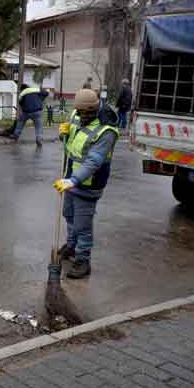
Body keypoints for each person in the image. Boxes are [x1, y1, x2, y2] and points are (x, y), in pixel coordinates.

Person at [54, 89, 119, 279]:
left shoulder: (107, 131)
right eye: (79, 113)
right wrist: (63, 134)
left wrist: (73, 180)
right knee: (69, 215)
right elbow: (73, 144)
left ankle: (83, 259)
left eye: (85, 113)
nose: (81, 117)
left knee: (82, 224)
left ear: (93, 109)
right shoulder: (76, 114)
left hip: (88, 183)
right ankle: (72, 246)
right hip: (71, 178)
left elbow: (93, 162)